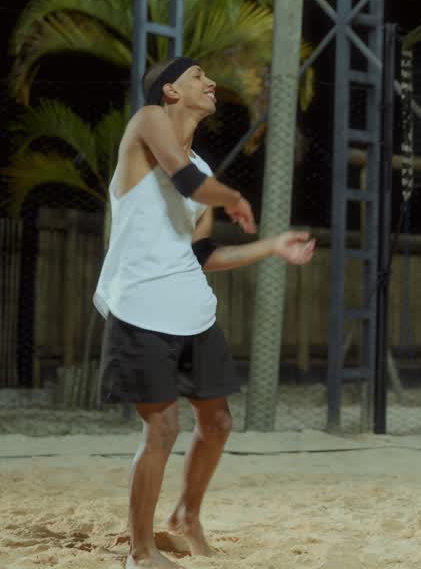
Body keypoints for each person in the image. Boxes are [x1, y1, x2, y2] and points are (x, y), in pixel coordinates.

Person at [94, 56, 316, 568]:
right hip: (140, 307)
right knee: (163, 429)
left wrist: (272, 247)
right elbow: (187, 182)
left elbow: (202, 255)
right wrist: (235, 196)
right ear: (170, 90)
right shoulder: (148, 121)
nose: (210, 82)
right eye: (198, 76)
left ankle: (185, 517)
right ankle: (142, 552)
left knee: (216, 422)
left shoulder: (207, 171)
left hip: (191, 310)